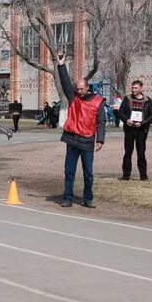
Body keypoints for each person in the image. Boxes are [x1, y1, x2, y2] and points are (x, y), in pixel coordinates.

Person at [57, 52, 105, 208]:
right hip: (72, 139)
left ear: (87, 88)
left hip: (87, 140)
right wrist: (61, 65)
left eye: (81, 89)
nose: (79, 91)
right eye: (77, 89)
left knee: (88, 173)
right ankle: (68, 197)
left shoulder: (97, 102)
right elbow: (65, 84)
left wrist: (100, 140)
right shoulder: (73, 98)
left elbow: (101, 122)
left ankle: (88, 198)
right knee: (69, 171)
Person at [117, 80, 152, 181]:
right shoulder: (127, 99)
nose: (133, 90)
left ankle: (143, 176)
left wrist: (142, 123)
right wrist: (126, 120)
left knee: (141, 153)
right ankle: (126, 175)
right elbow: (121, 113)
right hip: (129, 130)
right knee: (127, 153)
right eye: (133, 88)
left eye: (136, 88)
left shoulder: (148, 100)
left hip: (141, 131)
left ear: (141, 89)